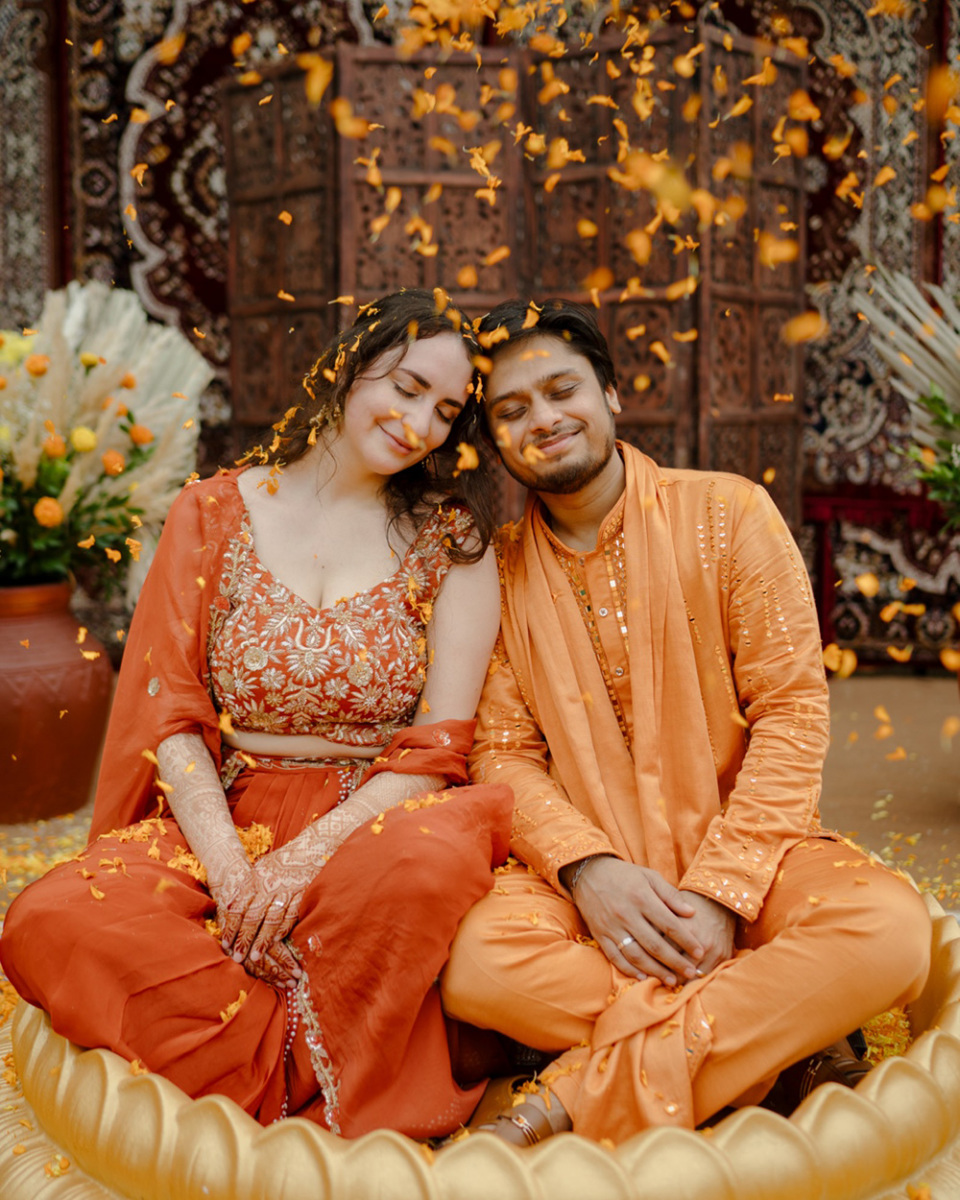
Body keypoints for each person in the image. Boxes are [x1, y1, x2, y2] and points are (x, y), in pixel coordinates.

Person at [0, 288, 515, 1140]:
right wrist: (237, 877)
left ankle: (245, 1064)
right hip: (228, 811)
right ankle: (317, 1056)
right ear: (350, 367)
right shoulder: (211, 512)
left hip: (376, 823)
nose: (420, 423)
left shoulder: (450, 538)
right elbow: (172, 714)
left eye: (446, 411)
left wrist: (302, 864)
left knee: (424, 874)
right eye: (407, 387)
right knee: (50, 920)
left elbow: (438, 744)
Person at [440, 298, 932, 1146]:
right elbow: (503, 753)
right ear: (494, 440)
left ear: (610, 395)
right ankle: (782, 1049)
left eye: (562, 390)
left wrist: (720, 892)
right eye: (512, 410)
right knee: (479, 966)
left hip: (752, 851)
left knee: (890, 933)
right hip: (592, 875)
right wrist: (588, 870)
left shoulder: (729, 514)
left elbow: (791, 710)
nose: (544, 419)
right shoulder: (501, 571)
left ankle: (574, 1095)